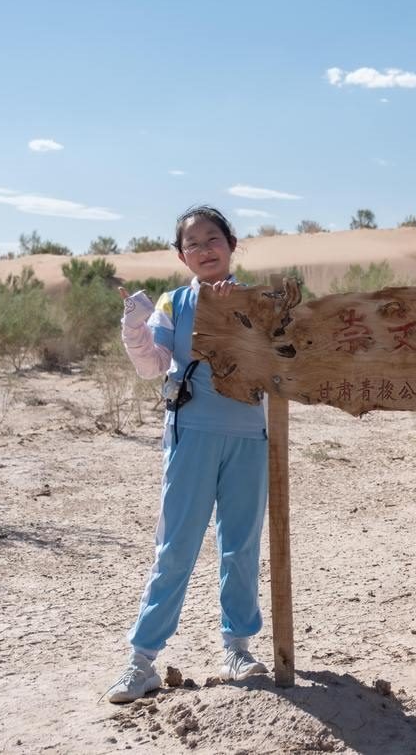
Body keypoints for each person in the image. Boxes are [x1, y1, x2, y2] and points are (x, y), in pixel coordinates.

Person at [104, 205, 270, 704]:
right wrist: (135, 327)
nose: (204, 250)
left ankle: (237, 650)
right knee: (175, 546)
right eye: (192, 244)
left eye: (212, 238)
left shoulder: (261, 302)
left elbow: (284, 361)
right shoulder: (173, 304)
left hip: (249, 434)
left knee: (240, 546)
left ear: (232, 244)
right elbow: (152, 366)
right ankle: (142, 661)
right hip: (191, 433)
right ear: (181, 256)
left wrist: (241, 315)